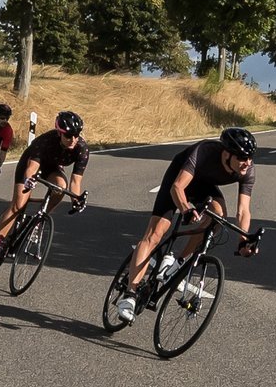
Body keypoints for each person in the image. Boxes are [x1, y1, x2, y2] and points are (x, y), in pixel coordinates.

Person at [111, 125, 260, 323]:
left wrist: (243, 239)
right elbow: (178, 187)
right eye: (242, 158)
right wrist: (186, 209)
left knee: (218, 216)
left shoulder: (248, 170)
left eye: (250, 158)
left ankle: (178, 262)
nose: (246, 163)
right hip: (178, 179)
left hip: (203, 186)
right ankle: (130, 294)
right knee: (156, 233)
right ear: (226, 154)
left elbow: (243, 210)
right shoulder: (205, 151)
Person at [0, 110, 92, 272]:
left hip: (53, 168)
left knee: (60, 187)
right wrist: (29, 180)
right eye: (68, 136)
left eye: (76, 135)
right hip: (30, 164)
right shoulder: (46, 142)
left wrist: (76, 200)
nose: (73, 140)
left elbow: (75, 181)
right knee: (18, 206)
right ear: (59, 133)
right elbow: (31, 168)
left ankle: (40, 220)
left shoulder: (82, 149)